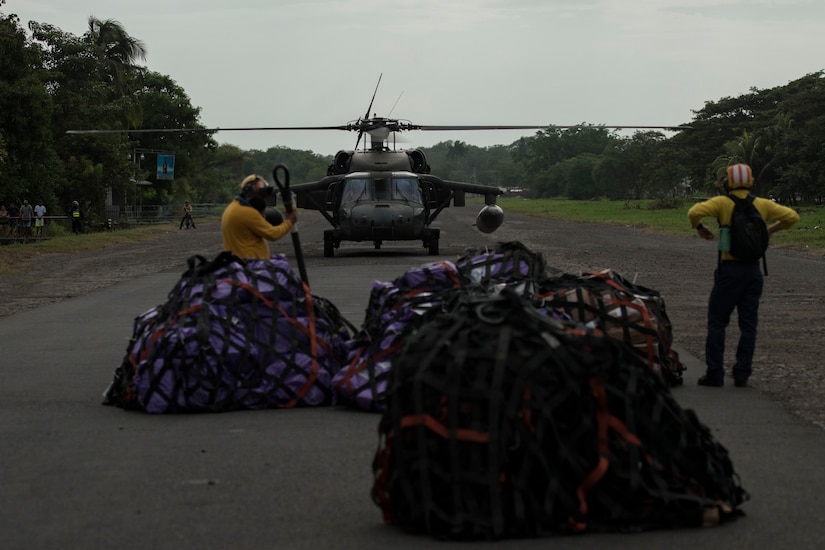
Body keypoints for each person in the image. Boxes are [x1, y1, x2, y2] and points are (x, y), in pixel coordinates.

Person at [688, 163, 800, 388]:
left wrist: (700, 227)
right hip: (753, 272)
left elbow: (694, 212)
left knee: (717, 322)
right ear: (750, 182)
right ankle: (742, 374)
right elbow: (792, 217)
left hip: (729, 271)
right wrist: (769, 231)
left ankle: (715, 373)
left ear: (728, 183)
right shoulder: (762, 205)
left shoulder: (722, 203)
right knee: (748, 324)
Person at [221, 174, 296, 259]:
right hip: (250, 265)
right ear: (249, 192)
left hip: (238, 263)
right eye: (260, 195)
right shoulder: (247, 212)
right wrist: (289, 222)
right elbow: (273, 234)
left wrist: (261, 213)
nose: (262, 200)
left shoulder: (233, 207)